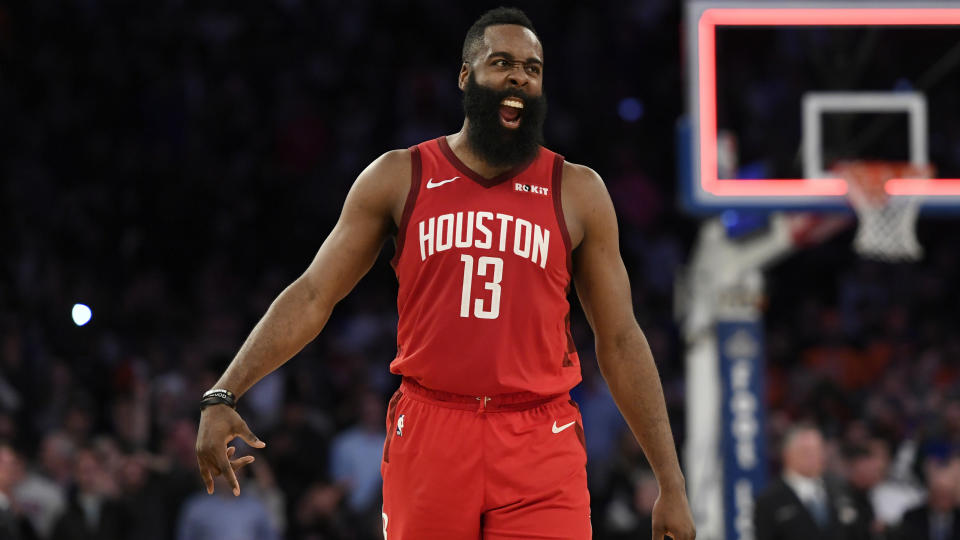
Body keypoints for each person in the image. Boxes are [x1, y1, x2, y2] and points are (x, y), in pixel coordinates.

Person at [194, 7, 695, 539]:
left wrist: (671, 480)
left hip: (539, 435)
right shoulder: (399, 175)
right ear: (465, 76)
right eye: (502, 62)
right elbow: (314, 293)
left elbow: (619, 339)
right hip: (432, 427)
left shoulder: (577, 190)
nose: (519, 76)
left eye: (532, 67)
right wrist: (225, 391)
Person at [755, 424, 862, 540]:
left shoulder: (840, 488)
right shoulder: (769, 499)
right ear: (787, 454)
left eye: (819, 449)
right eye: (807, 451)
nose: (815, 456)